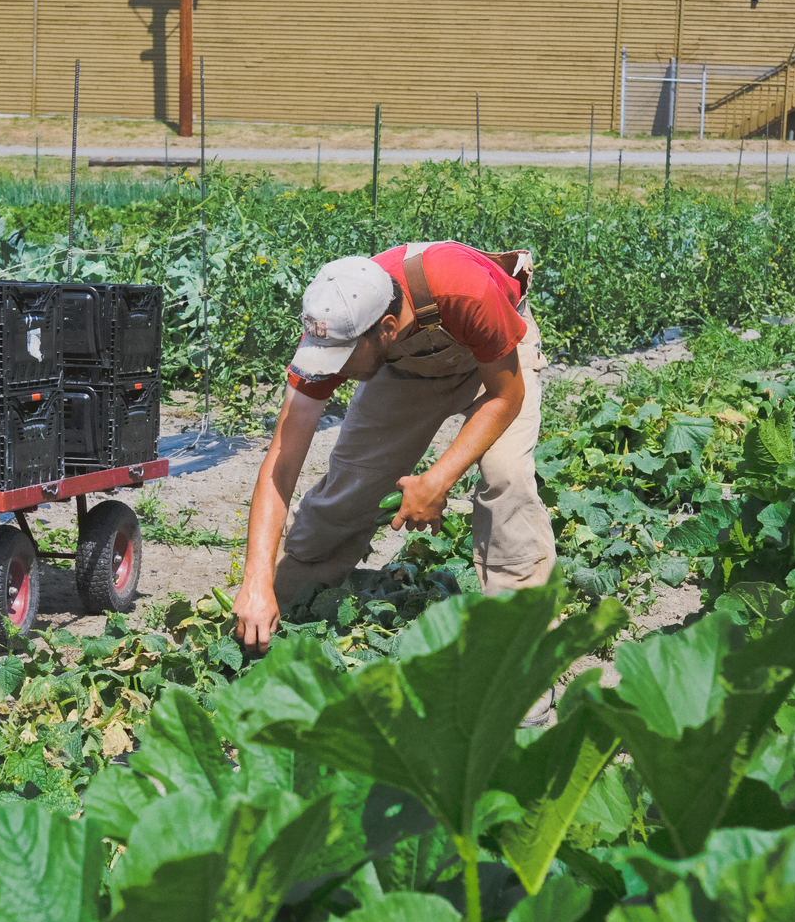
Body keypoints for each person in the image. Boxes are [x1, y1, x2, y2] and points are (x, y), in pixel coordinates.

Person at [233, 241, 558, 654]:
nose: (334, 372)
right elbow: (281, 463)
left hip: (495, 363)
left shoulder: (467, 291)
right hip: (403, 367)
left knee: (507, 478)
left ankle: (522, 649)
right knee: (352, 487)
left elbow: (504, 398)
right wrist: (256, 581)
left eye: (342, 359)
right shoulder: (335, 323)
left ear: (387, 328)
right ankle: (284, 614)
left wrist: (437, 480)